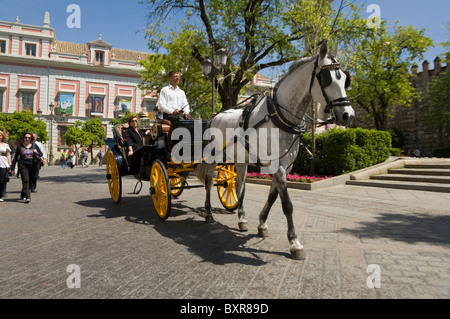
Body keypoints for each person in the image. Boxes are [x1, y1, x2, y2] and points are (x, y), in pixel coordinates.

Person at [11, 132, 43, 203]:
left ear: (31, 139)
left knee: (29, 181)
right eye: (26, 137)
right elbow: (15, 158)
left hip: (32, 165)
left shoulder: (34, 145)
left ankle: (23, 194)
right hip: (23, 165)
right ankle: (28, 197)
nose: (27, 139)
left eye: (29, 138)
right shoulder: (20, 146)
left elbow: (41, 154)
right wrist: (12, 168)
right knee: (25, 180)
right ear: (23, 138)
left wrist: (36, 152)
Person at [0, 131, 12, 202]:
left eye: (0, 135)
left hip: (3, 163)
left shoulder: (5, 145)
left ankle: (0, 195)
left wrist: (9, 164)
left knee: (1, 180)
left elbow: (8, 155)